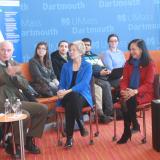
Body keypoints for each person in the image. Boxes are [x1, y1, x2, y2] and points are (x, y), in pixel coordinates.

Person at [0, 41, 48, 158]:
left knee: (42, 109)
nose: (5, 53)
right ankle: (14, 145)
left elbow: (25, 85)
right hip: (3, 101)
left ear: (12, 52)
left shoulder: (14, 64)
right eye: (2, 50)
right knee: (23, 114)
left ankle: (27, 140)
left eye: (8, 50)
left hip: (17, 100)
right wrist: (6, 74)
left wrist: (15, 76)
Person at [117, 39, 155, 144]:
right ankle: (134, 124)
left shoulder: (150, 64)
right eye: (130, 49)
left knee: (127, 100)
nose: (131, 51)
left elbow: (148, 84)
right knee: (126, 98)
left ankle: (127, 131)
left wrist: (135, 91)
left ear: (141, 50)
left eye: (134, 49)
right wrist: (124, 90)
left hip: (144, 93)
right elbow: (124, 80)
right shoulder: (128, 63)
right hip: (129, 92)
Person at [57, 40, 93, 148]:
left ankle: (69, 138)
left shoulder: (87, 66)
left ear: (81, 52)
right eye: (70, 50)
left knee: (71, 101)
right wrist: (60, 90)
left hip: (82, 96)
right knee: (71, 99)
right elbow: (62, 83)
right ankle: (80, 122)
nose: (70, 52)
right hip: (67, 96)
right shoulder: (66, 66)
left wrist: (68, 91)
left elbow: (84, 84)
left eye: (73, 50)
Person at [82, 38, 112, 123]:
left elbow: (102, 66)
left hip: (102, 76)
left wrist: (106, 70)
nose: (86, 47)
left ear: (90, 46)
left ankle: (107, 114)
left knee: (107, 83)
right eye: (84, 45)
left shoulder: (95, 56)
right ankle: (104, 114)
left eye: (88, 45)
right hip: (92, 78)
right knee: (106, 85)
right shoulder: (81, 57)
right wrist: (99, 72)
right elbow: (87, 71)